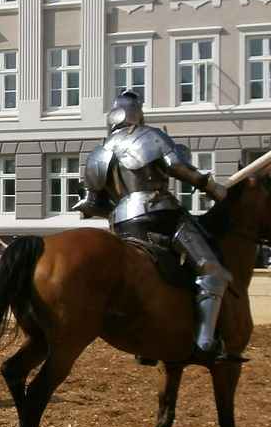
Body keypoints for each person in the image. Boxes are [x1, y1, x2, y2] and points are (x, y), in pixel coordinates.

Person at [74, 89, 230, 363]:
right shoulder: (149, 136)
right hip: (161, 214)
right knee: (211, 269)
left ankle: (144, 343)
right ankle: (205, 342)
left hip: (123, 224)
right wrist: (215, 189)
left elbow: (92, 206)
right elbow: (181, 169)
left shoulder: (99, 153)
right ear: (137, 114)